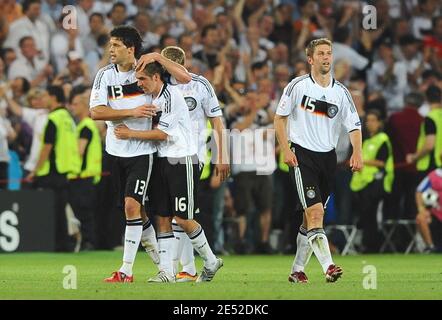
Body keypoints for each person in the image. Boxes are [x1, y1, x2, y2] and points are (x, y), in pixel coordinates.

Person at [89, 26, 190, 283]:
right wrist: (131, 113)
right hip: (115, 150)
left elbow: (185, 78)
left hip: (144, 151)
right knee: (136, 212)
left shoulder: (146, 71)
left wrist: (157, 56)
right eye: (110, 45)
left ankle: (126, 270)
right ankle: (161, 263)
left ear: (130, 49)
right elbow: (96, 113)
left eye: (115, 45)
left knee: (133, 206)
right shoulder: (104, 76)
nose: (110, 50)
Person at [114, 61, 223, 283]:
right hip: (162, 160)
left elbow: (163, 134)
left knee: (182, 218)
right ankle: (167, 272)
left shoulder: (172, 95)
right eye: (137, 79)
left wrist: (130, 133)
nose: (138, 83)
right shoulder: (153, 99)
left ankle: (211, 260)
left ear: (156, 78)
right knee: (162, 216)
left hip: (182, 159)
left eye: (142, 79)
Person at [274, 38, 363, 283]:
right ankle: (329, 266)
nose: (326, 57)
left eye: (329, 53)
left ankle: (296, 270)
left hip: (328, 160)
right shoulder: (297, 86)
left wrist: (358, 152)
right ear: (310, 59)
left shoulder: (341, 92)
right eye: (321, 53)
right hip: (302, 156)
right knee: (315, 214)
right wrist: (285, 149)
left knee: (308, 218)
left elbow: (354, 126)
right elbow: (279, 119)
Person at [138, 46, 230, 282]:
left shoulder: (199, 85)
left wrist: (222, 155)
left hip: (190, 155)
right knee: (168, 214)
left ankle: (192, 266)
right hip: (162, 155)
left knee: (183, 214)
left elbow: (217, 122)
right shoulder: (157, 88)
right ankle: (183, 269)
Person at [27, 85, 78, 252]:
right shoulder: (67, 118)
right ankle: (65, 243)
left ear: (53, 98)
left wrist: (35, 170)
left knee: (53, 210)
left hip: (53, 170)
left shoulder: (54, 118)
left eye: (46, 96)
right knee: (61, 209)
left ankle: (57, 243)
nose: (43, 100)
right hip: (65, 170)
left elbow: (47, 147)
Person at [350, 110, 394, 253]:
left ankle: (373, 245)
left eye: (373, 120)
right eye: (368, 120)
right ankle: (366, 243)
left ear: (380, 122)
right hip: (363, 182)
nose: (370, 123)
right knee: (366, 214)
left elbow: (382, 162)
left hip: (376, 182)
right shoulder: (366, 140)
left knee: (372, 214)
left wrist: (362, 161)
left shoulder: (383, 139)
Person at [68, 89, 102, 250]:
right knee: (85, 211)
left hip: (83, 176)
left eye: (75, 104)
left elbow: (79, 151)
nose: (72, 107)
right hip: (88, 175)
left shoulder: (85, 126)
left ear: (83, 106)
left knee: (84, 211)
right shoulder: (85, 125)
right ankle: (88, 241)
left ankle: (88, 241)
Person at [416, 167, 442, 253]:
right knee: (421, 217)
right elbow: (419, 191)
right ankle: (430, 247)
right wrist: (421, 209)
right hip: (436, 213)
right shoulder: (434, 175)